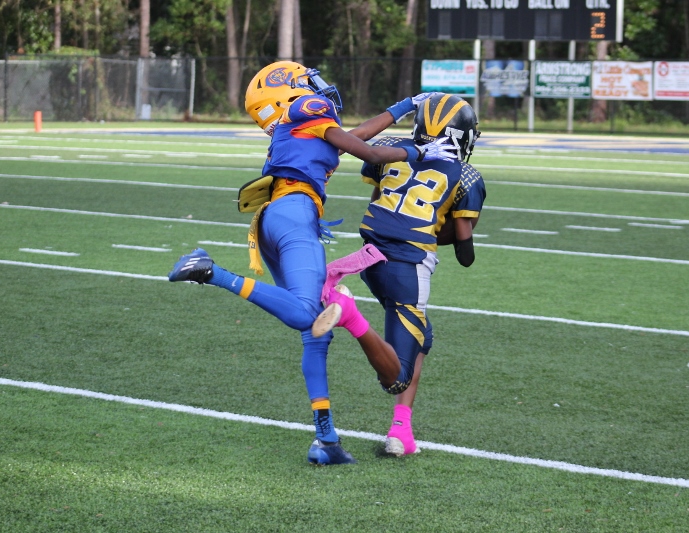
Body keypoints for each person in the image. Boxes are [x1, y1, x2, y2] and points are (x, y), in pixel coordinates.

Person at [168, 61, 453, 466]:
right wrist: (418, 151)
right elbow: (368, 152)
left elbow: (353, 138)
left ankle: (326, 439)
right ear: (287, 90)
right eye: (306, 81)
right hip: (295, 214)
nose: (317, 87)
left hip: (276, 218)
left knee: (315, 332)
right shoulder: (306, 109)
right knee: (306, 314)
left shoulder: (298, 126)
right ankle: (212, 272)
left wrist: (404, 105)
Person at [313, 93, 486, 457]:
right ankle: (349, 314)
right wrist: (453, 222)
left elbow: (381, 203)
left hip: (370, 259)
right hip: (407, 267)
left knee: (424, 337)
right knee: (396, 378)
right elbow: (466, 254)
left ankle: (401, 432)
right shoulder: (467, 176)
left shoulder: (394, 148)